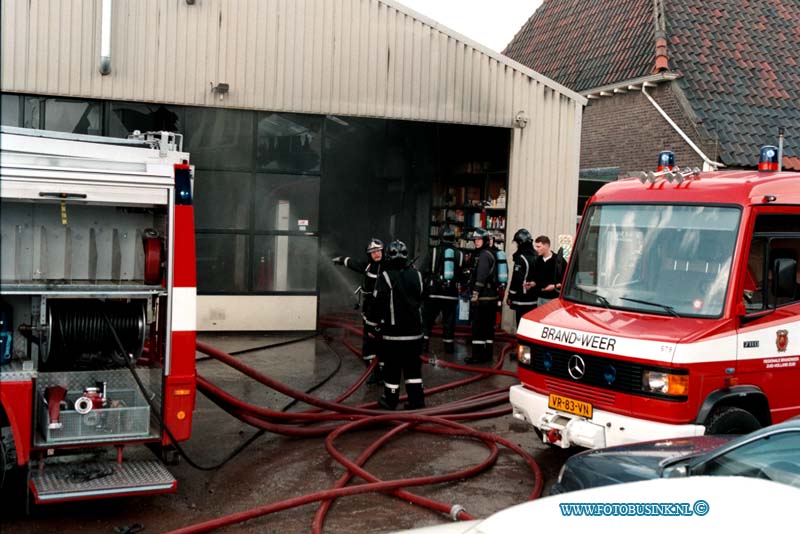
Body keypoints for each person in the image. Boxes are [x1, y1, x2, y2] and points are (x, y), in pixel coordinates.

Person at [367, 240, 425, 410]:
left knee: (392, 369)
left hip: (393, 335)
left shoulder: (385, 276)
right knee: (413, 369)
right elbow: (422, 297)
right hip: (415, 334)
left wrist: (371, 326)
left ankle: (390, 400)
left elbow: (377, 304)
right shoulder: (417, 274)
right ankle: (416, 401)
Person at [332, 238, 385, 381]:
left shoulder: (389, 267)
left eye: (378, 250)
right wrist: (342, 260)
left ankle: (382, 372)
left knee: (382, 344)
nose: (376, 254)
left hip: (384, 313)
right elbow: (354, 264)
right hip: (369, 312)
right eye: (373, 252)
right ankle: (374, 373)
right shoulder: (368, 266)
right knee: (368, 344)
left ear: (383, 251)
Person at [422, 227, 464, 354]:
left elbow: (424, 269)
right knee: (449, 323)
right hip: (451, 294)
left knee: (427, 321)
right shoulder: (459, 254)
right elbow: (462, 275)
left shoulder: (434, 251)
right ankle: (448, 349)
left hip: (433, 293)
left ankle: (424, 347)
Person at [466, 228, 498, 364]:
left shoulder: (484, 255)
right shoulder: (491, 253)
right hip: (492, 297)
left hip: (483, 297)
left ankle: (477, 356)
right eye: (475, 240)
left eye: (479, 239)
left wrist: (475, 292)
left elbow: (482, 275)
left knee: (478, 327)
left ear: (485, 240)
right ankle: (487, 354)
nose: (476, 242)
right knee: (488, 328)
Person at [507, 228, 539, 326]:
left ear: (521, 243)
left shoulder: (521, 258)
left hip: (521, 299)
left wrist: (510, 296)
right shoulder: (537, 256)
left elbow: (516, 279)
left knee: (521, 326)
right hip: (534, 299)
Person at [532, 235, 566, 306]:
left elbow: (567, 280)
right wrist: (532, 284)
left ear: (546, 246)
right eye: (536, 247)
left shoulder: (559, 261)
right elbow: (536, 279)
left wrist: (554, 286)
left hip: (554, 299)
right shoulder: (537, 261)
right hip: (540, 299)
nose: (536, 249)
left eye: (539, 247)